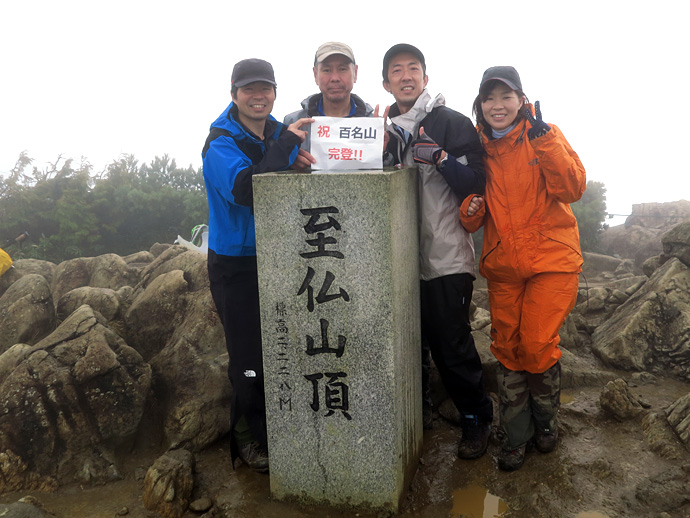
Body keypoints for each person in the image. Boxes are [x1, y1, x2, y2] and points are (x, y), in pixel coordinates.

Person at [460, 66, 586, 471]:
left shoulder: (544, 135)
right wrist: (470, 209)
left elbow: (572, 188)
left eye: (506, 96)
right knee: (507, 349)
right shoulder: (477, 148)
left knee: (536, 344)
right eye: (489, 98)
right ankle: (515, 437)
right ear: (480, 104)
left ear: (521, 100)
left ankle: (546, 423)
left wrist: (545, 140)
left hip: (552, 260)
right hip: (504, 267)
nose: (497, 105)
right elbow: (471, 219)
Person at [381, 43, 494, 459]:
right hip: (398, 260)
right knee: (411, 344)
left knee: (452, 345)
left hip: (446, 255)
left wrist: (441, 158)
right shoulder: (382, 130)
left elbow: (477, 183)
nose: (406, 76)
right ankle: (422, 412)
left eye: (413, 68)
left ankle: (476, 418)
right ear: (386, 83)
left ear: (425, 78)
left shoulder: (451, 122)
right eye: (397, 70)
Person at [201, 58, 313, 473]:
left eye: (265, 88)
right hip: (235, 265)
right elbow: (246, 189)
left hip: (277, 256)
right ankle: (247, 438)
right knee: (248, 358)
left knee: (279, 349)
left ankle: (276, 432)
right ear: (234, 95)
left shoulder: (280, 133)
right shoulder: (220, 143)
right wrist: (286, 152)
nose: (258, 96)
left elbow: (301, 160)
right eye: (249, 89)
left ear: (274, 93)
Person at [284, 41, 374, 152]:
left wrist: (383, 153)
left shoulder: (373, 124)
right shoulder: (293, 123)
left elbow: (387, 161)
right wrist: (289, 156)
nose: (335, 78)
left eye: (342, 69)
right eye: (327, 70)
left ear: (355, 73)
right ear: (315, 75)